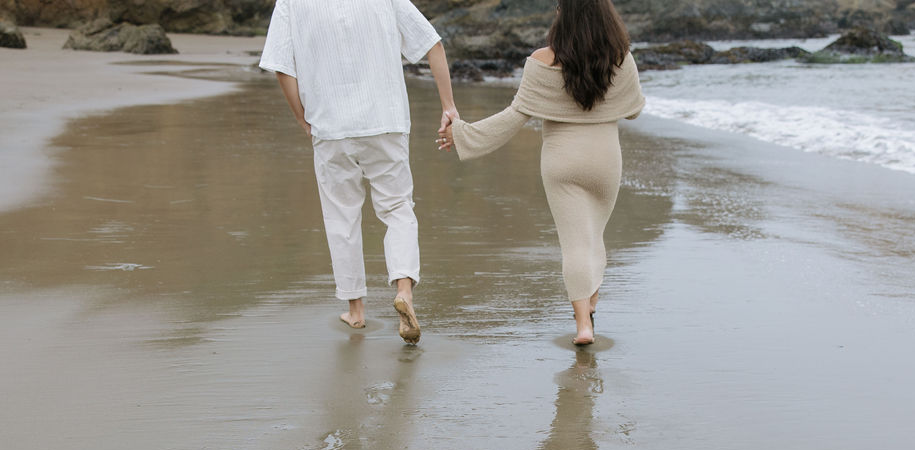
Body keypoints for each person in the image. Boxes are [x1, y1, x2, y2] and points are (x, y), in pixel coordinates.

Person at [438, 0, 644, 346]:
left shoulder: (540, 61)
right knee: (593, 236)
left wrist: (461, 134)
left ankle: (583, 325)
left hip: (562, 161)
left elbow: (514, 117)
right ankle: (590, 302)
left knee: (574, 242)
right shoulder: (620, 56)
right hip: (605, 159)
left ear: (563, 16)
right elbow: (635, 109)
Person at [260, 0, 458, 344]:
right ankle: (404, 292)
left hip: (330, 125)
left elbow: (282, 67)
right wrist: (448, 107)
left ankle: (356, 310)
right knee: (397, 208)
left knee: (341, 216)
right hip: (386, 120)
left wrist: (301, 117)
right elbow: (432, 43)